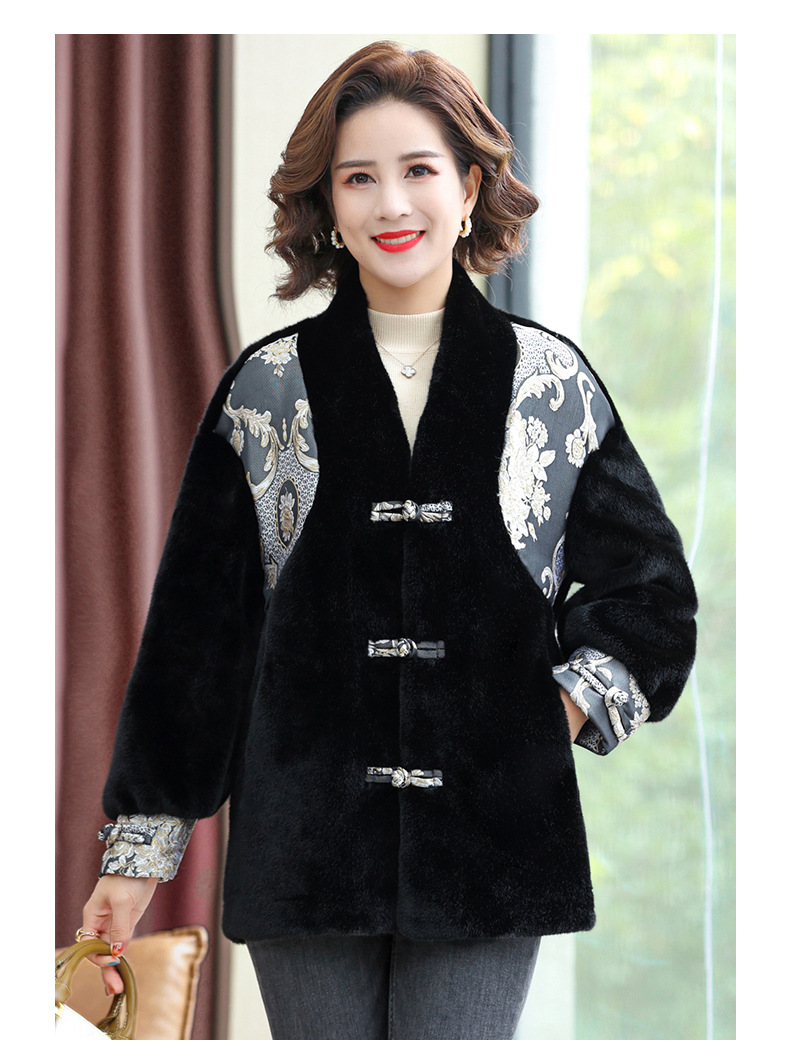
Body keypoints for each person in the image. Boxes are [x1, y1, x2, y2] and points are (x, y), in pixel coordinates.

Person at [78, 40, 697, 1040]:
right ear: (327, 203)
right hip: (304, 843)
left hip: (494, 841)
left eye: (418, 170)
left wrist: (557, 712)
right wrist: (136, 857)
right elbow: (198, 641)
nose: (391, 204)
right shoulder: (267, 390)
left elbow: (652, 597)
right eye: (358, 178)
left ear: (470, 187)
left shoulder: (549, 384)